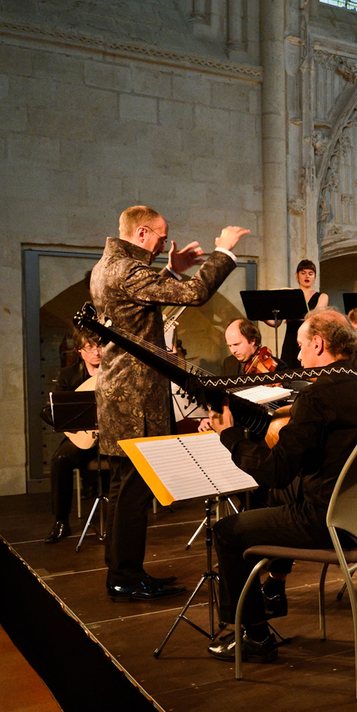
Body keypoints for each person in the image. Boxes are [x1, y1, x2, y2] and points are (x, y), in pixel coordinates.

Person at [207, 309, 357, 662]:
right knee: (278, 495)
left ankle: (255, 635)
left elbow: (276, 470)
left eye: (300, 346)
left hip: (328, 523)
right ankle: (274, 588)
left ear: (319, 344)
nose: (296, 356)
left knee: (227, 531)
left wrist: (230, 435)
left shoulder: (316, 397)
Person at [90, 205, 246, 601]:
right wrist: (223, 252)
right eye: (160, 237)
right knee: (135, 491)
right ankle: (125, 576)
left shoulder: (109, 266)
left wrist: (171, 271)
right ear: (141, 233)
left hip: (119, 391)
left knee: (126, 489)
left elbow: (142, 300)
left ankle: (123, 573)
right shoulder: (127, 270)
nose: (163, 244)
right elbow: (195, 294)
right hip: (136, 394)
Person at [40, 329, 101, 544]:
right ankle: (61, 522)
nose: (96, 352)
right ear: (80, 351)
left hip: (111, 436)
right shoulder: (69, 376)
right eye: (90, 347)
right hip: (82, 436)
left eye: (99, 346)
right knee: (60, 460)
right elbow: (51, 411)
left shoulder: (115, 373)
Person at [274, 259, 329, 368]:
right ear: (297, 275)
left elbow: (315, 318)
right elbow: (276, 322)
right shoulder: (288, 296)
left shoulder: (322, 296)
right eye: (303, 273)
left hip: (309, 340)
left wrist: (295, 318)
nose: (306, 276)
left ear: (315, 276)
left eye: (310, 273)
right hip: (290, 340)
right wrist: (261, 314)